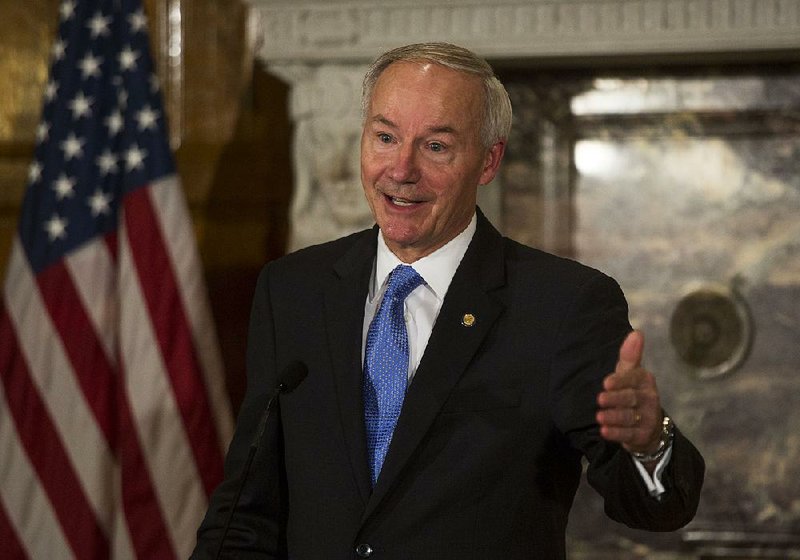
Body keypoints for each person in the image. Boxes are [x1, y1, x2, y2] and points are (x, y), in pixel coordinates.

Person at [191, 42, 704, 560]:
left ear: (488, 160)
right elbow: (246, 512)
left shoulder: (562, 306)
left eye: (435, 147)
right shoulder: (294, 290)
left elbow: (658, 508)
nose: (401, 169)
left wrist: (648, 444)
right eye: (385, 137)